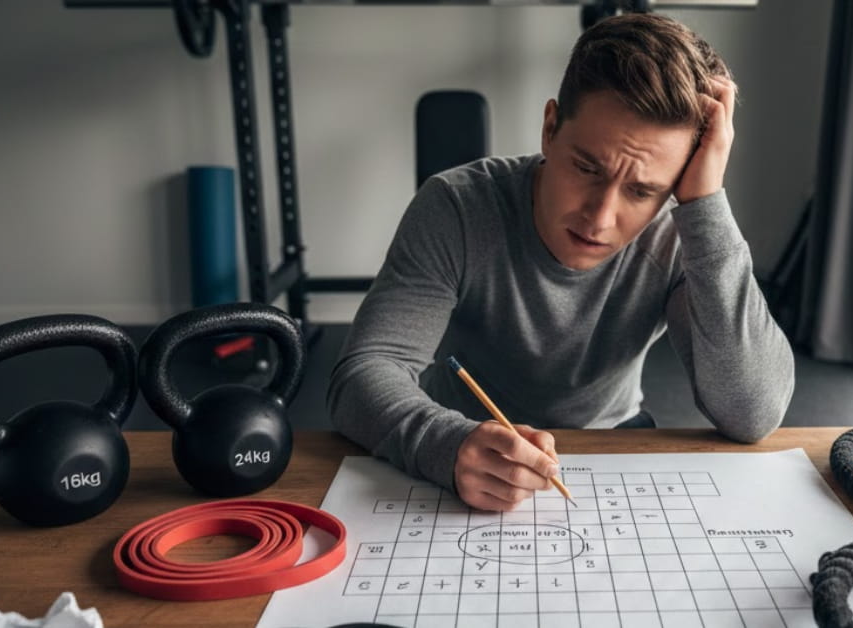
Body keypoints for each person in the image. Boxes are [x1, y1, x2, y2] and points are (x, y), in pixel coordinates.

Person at [328, 13, 794, 511]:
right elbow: (364, 373)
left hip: (613, 438)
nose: (600, 217)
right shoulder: (457, 206)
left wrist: (706, 205)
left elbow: (753, 412)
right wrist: (446, 443)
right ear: (550, 128)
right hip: (463, 437)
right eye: (586, 167)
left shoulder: (681, 236)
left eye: (642, 190)